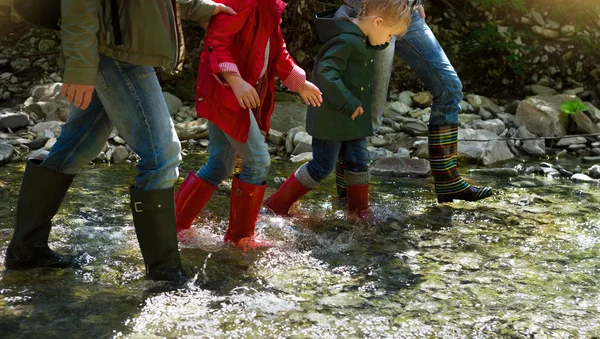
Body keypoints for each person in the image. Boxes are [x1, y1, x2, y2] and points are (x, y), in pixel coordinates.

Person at [4, 0, 235, 283]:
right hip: (113, 49)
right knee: (162, 156)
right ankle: (165, 275)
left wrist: (197, 8)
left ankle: (26, 249)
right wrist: (79, 65)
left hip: (119, 45)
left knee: (76, 147)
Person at [174, 0, 323, 248]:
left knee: (219, 164)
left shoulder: (269, 7)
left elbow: (276, 50)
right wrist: (236, 81)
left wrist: (299, 82)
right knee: (258, 161)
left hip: (228, 95)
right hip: (224, 94)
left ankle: (174, 226)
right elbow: (215, 43)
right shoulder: (244, 2)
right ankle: (239, 240)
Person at [264, 0, 412, 219]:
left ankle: (358, 214)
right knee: (322, 166)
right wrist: (349, 102)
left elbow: (375, 43)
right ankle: (276, 204)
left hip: (352, 119)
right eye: (390, 36)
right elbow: (326, 73)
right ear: (378, 23)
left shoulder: (364, 38)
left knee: (359, 161)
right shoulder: (345, 40)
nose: (387, 42)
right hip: (331, 118)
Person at [335, 0, 493, 203]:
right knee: (367, 114)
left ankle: (448, 182)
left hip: (407, 12)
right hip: (372, 12)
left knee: (449, 88)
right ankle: (348, 191)